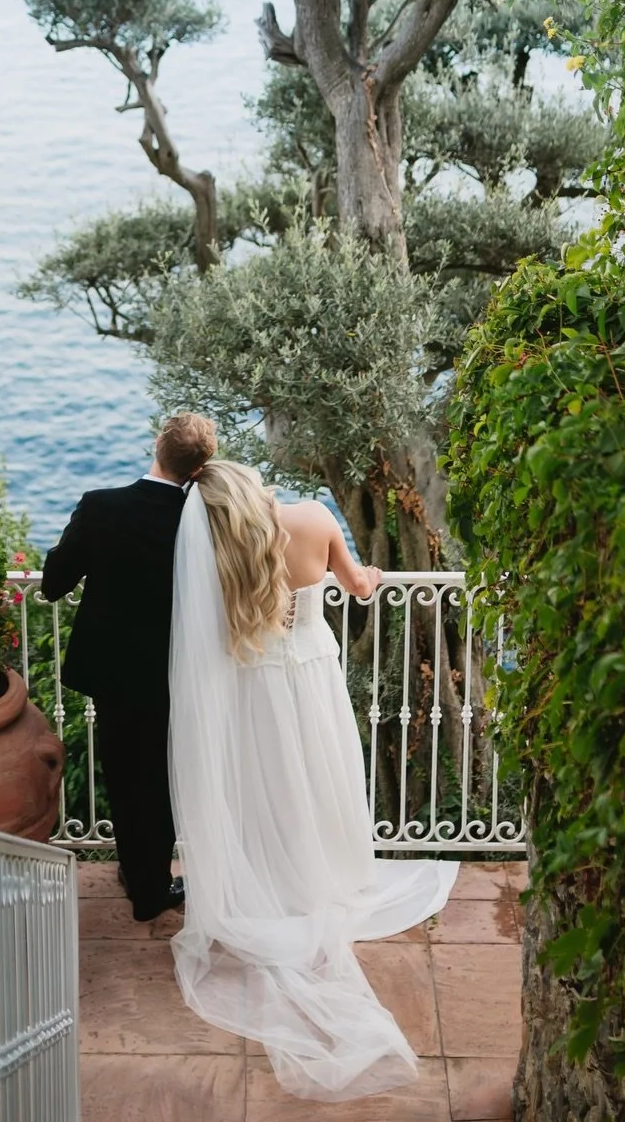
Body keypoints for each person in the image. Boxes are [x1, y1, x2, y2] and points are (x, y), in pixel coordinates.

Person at [169, 460, 458, 1102]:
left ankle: (276, 877)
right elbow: (358, 587)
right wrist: (371, 577)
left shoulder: (220, 544)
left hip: (256, 678)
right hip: (311, 669)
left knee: (273, 781)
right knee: (321, 771)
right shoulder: (313, 517)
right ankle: (329, 870)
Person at [40, 412, 217, 920]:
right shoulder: (202, 519)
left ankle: (142, 878)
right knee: (164, 774)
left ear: (157, 444)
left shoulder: (102, 506)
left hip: (115, 671)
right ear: (198, 469)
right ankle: (152, 881)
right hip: (180, 668)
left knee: (124, 773)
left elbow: (53, 583)